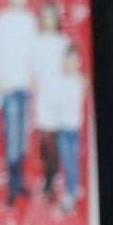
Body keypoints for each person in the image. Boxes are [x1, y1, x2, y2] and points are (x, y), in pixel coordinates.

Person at [0, 0, 37, 208]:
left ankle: (19, 183)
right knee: (12, 140)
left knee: (22, 139)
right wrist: (0, 80)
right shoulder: (2, 20)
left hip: (25, 88)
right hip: (9, 88)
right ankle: (11, 187)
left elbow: (34, 54)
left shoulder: (30, 21)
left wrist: (34, 80)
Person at [31, 1, 70, 205]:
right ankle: (48, 176)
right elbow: (34, 70)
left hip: (59, 96)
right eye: (44, 16)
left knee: (54, 141)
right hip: (42, 96)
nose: (48, 20)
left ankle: (51, 181)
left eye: (51, 15)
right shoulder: (37, 42)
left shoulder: (63, 42)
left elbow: (68, 70)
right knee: (44, 140)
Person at [41, 44, 87, 215]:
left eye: (73, 61)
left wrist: (58, 102)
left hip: (72, 129)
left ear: (79, 62)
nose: (70, 64)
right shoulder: (61, 81)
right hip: (62, 128)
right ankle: (71, 189)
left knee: (71, 161)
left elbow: (67, 103)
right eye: (67, 61)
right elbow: (54, 102)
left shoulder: (78, 81)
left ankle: (71, 193)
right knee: (65, 161)